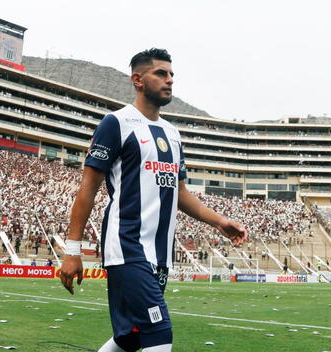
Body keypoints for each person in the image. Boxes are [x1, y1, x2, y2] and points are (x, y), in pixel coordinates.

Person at [59, 48, 247, 352]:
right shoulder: (116, 124)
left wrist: (220, 221)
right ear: (138, 79)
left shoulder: (172, 134)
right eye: (161, 73)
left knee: (130, 337)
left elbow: (180, 193)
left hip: (160, 252)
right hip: (127, 245)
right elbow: (88, 188)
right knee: (159, 332)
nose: (169, 80)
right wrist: (72, 251)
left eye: (172, 75)